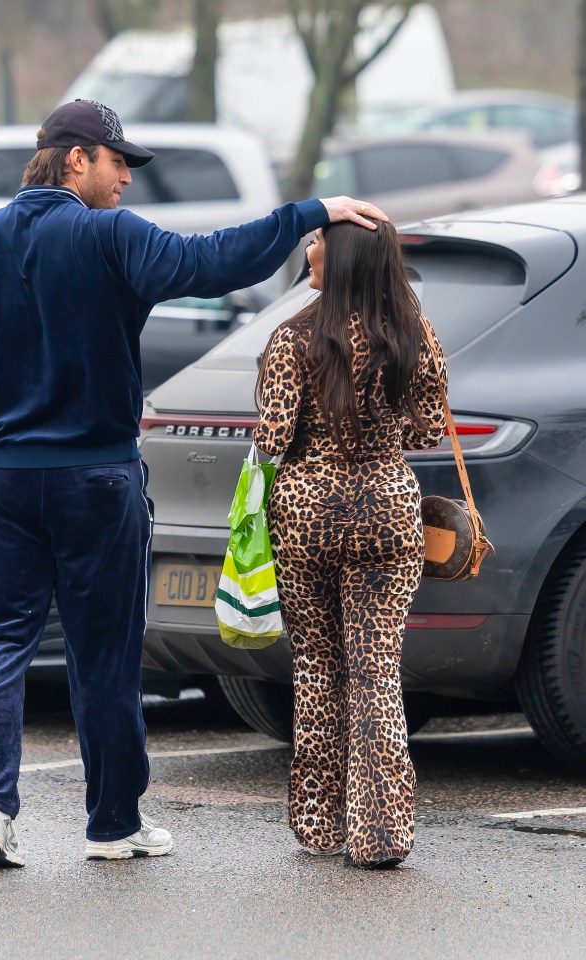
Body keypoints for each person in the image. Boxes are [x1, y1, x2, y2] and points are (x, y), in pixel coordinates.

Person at [0, 96, 386, 868]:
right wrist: (309, 212)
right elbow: (214, 262)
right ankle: (113, 823)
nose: (127, 177)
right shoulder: (109, 237)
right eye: (117, 161)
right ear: (74, 160)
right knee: (104, 655)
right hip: (96, 479)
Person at [253, 219, 447, 870]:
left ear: (340, 258)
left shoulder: (291, 337)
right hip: (387, 512)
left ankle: (319, 821)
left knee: (315, 671)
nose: (307, 251)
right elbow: (425, 429)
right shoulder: (413, 333)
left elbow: (273, 438)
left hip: (306, 515)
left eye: (316, 242)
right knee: (375, 674)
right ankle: (381, 834)